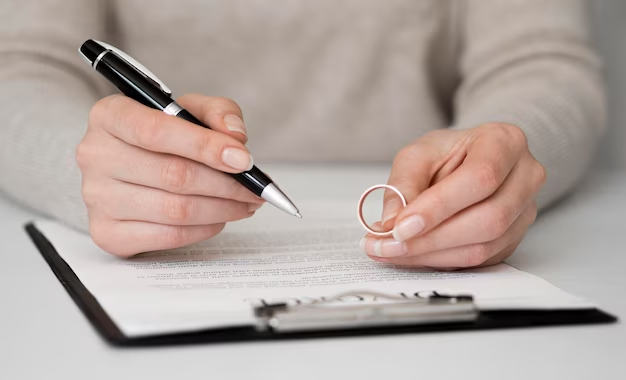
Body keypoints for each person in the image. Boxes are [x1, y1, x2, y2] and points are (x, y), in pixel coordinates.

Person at [0, 0, 605, 269]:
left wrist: (501, 159)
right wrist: (84, 169)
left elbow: (542, 63)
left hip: (423, 197)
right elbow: (19, 69)